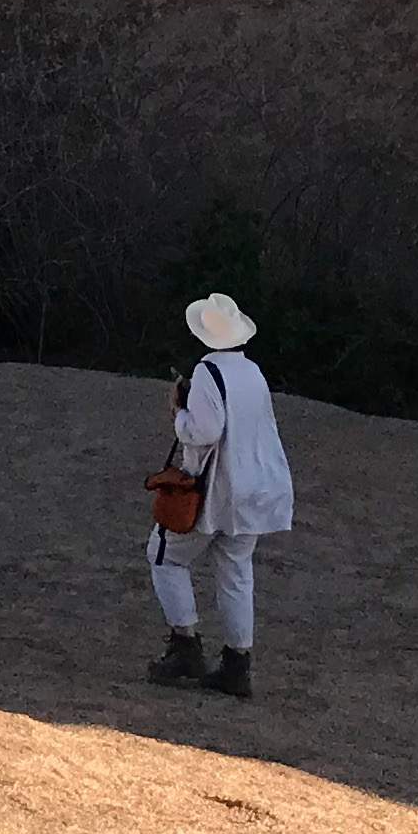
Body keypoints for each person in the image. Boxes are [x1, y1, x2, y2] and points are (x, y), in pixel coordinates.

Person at [143, 291, 295, 698]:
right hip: (258, 489)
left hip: (220, 490)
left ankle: (185, 644)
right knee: (236, 572)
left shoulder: (209, 372)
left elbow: (205, 431)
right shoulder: (252, 372)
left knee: (164, 554)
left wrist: (179, 415)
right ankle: (237, 663)